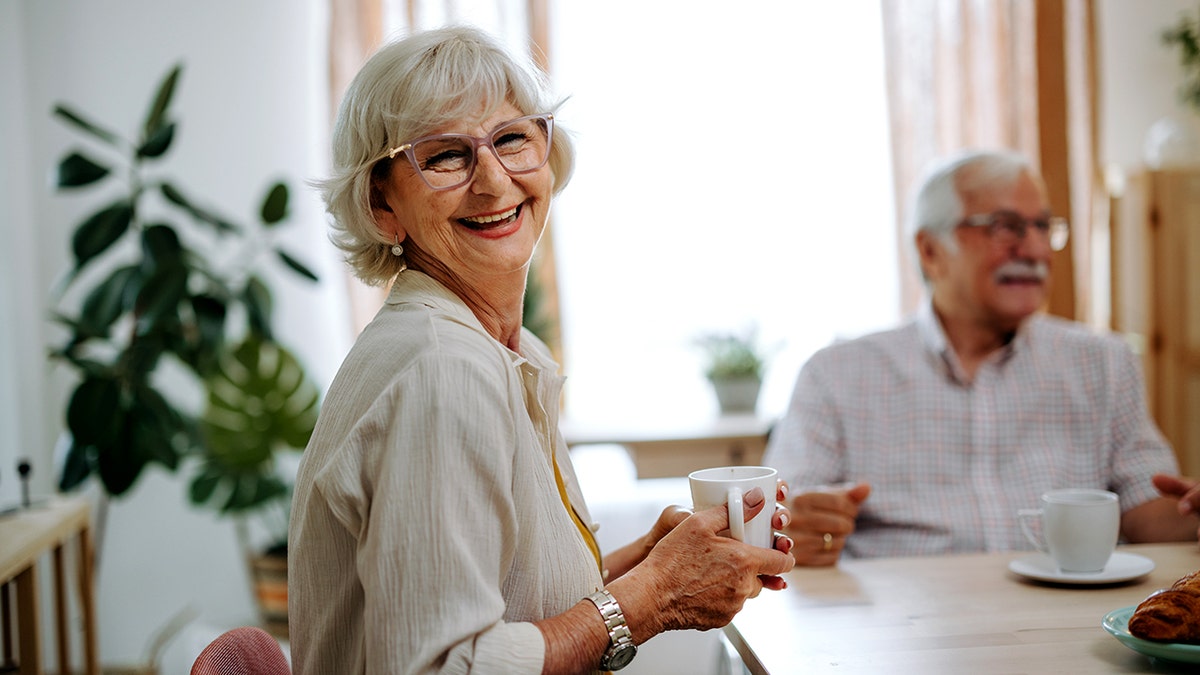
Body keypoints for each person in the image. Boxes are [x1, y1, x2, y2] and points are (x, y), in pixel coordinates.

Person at [288, 25, 795, 674]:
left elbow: (502, 604)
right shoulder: (443, 371)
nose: (494, 182)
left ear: (547, 156)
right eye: (445, 155)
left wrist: (654, 560)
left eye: (511, 139)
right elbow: (445, 665)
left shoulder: (498, 347)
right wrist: (653, 596)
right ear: (382, 204)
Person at [762, 149, 1200, 566]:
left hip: (1066, 624)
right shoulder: (835, 375)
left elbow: (1151, 512)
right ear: (931, 252)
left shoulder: (1104, 362)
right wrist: (796, 529)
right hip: (899, 631)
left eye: (1042, 226)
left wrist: (1193, 512)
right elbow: (782, 524)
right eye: (1004, 226)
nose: (1034, 251)